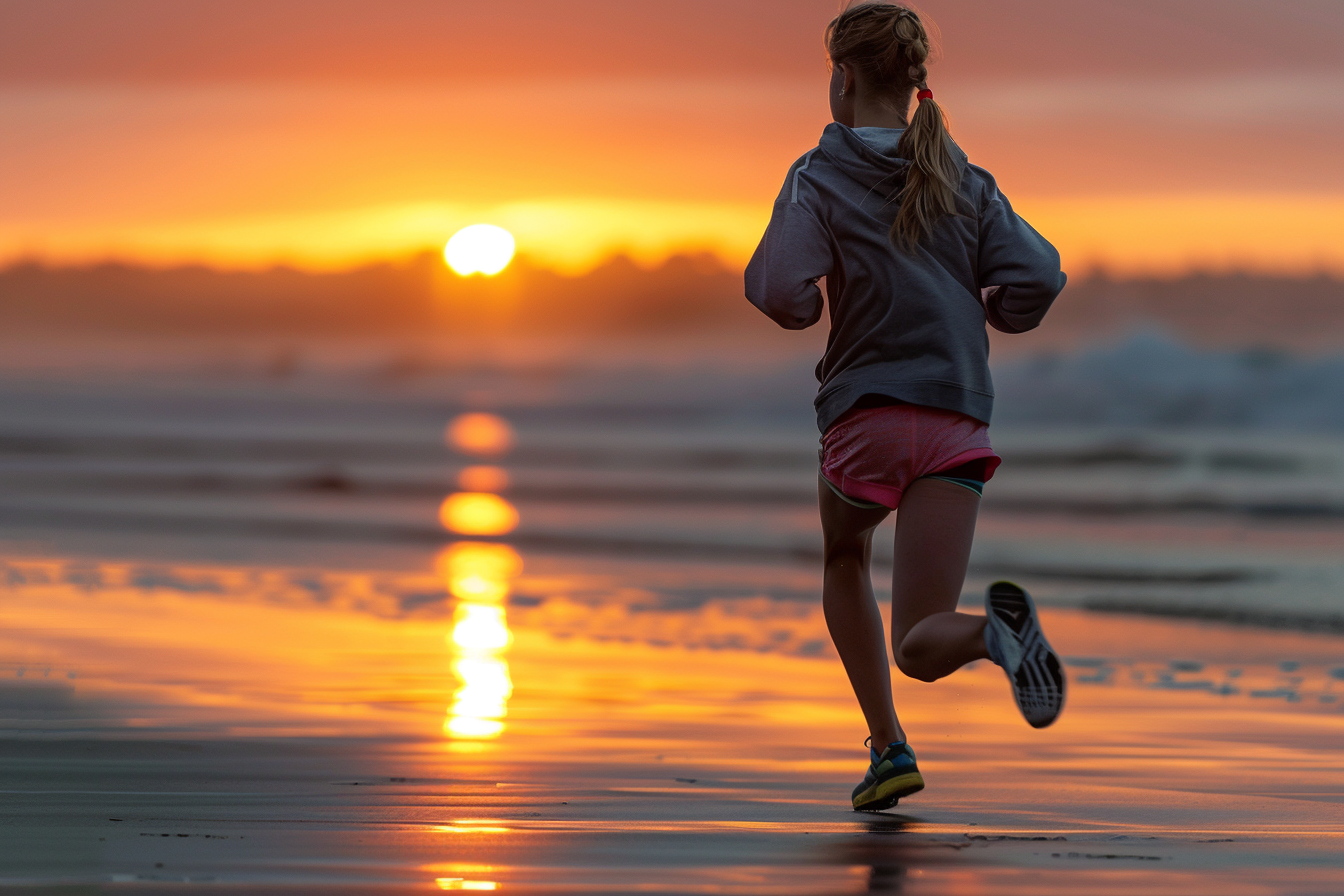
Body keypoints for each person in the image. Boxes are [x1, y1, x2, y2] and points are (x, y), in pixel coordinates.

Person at [745, 1, 1068, 812]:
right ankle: (993, 637)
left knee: (844, 558)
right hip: (958, 422)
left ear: (844, 77)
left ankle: (888, 747)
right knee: (923, 639)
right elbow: (1039, 274)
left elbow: (778, 288)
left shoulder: (818, 176)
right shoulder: (964, 177)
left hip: (869, 418)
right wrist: (1001, 312)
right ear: (915, 79)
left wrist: (807, 311)